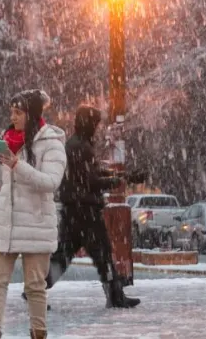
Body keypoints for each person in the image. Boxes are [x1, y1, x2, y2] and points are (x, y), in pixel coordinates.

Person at [0, 90, 66, 339]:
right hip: (6, 225)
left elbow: (50, 182)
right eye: (11, 111)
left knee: (35, 286)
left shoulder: (51, 143)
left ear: (32, 114)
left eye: (18, 112)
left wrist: (18, 165)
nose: (13, 117)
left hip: (35, 224)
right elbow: (0, 180)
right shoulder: (8, 141)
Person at [46, 104, 140, 308]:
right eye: (95, 124)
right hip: (86, 210)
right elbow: (92, 180)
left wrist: (121, 176)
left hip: (74, 208)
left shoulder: (75, 144)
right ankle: (114, 295)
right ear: (88, 124)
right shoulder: (82, 147)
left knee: (63, 254)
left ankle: (37, 288)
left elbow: (92, 173)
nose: (97, 128)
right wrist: (120, 180)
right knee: (103, 253)